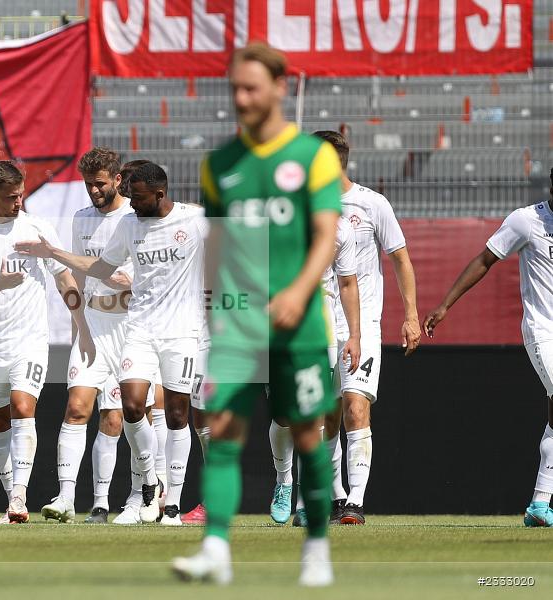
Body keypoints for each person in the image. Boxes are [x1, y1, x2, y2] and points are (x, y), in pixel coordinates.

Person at [171, 42, 342, 587]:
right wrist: (217, 305)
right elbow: (217, 244)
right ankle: (216, 547)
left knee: (308, 435)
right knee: (220, 430)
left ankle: (316, 545)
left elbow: (326, 237)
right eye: (235, 89)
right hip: (238, 324)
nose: (242, 99)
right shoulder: (218, 164)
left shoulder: (314, 158)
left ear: (278, 88)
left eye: (251, 88)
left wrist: (297, 292)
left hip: (301, 325)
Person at [17, 161, 206, 526]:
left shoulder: (193, 222)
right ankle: (150, 481)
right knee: (132, 407)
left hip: (182, 334)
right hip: (139, 330)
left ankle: (171, 506)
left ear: (160, 194)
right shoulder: (129, 224)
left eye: (138, 197)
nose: (132, 203)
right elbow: (102, 269)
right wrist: (56, 253)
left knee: (178, 415)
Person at [0, 160, 94, 524]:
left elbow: (64, 279)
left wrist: (81, 324)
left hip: (29, 339)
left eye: (21, 194)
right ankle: (11, 501)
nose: (18, 202)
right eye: (11, 197)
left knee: (22, 405)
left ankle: (19, 497)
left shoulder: (37, 228)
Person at [424, 173, 553, 527]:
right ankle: (541, 503)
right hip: (542, 330)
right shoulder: (526, 220)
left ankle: (540, 504)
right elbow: (484, 260)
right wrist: (446, 305)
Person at [311, 130, 420, 526]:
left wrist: (410, 315)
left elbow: (401, 260)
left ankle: (355, 501)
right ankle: (336, 495)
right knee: (327, 414)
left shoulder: (371, 204)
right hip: (319, 324)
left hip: (363, 322)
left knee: (356, 406)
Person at [40, 147, 150, 525]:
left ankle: (115, 501)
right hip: (93, 327)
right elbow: (77, 276)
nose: (94, 191)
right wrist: (79, 328)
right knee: (76, 407)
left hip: (129, 327)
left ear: (118, 180)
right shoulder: (82, 219)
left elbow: (144, 278)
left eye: (100, 184)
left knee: (119, 418)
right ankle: (67, 497)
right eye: (88, 185)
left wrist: (126, 281)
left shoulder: (136, 221)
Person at [269, 202, 360, 527]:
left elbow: (347, 283)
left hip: (319, 323)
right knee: (282, 416)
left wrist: (355, 335)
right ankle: (283, 481)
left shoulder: (339, 228)